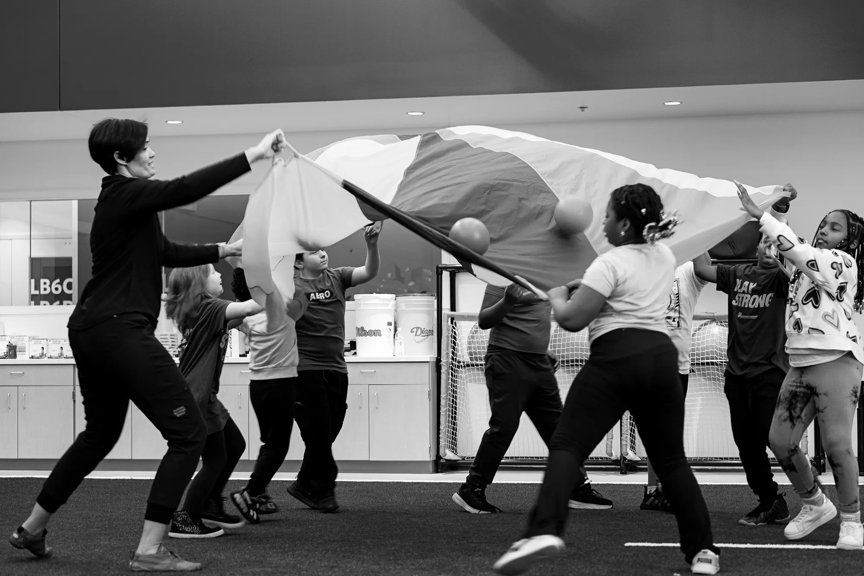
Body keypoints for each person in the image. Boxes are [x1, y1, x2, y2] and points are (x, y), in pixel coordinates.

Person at [8, 118, 286, 571]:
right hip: (120, 330)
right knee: (189, 433)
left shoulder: (119, 205)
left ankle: (32, 528)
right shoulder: (126, 193)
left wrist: (221, 250)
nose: (153, 153)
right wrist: (253, 155)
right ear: (121, 157)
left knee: (99, 434)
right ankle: (150, 549)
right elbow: (182, 189)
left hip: (91, 329)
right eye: (146, 147)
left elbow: (165, 252)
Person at [494, 184, 720, 576]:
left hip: (617, 357)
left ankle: (542, 531)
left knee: (567, 446)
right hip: (661, 359)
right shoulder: (664, 255)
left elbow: (572, 318)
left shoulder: (608, 264)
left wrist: (558, 295)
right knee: (670, 461)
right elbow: (625, 289)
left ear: (626, 223)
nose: (604, 223)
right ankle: (704, 553)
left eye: (609, 217)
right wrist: (583, 288)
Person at [735, 182, 864, 550]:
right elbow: (788, 246)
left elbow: (797, 250)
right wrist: (780, 209)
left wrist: (761, 214)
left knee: (838, 444)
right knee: (780, 440)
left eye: (835, 227)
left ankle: (852, 520)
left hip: (837, 362)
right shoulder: (806, 265)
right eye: (824, 224)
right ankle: (814, 503)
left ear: (850, 241)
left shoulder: (841, 263)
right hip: (801, 362)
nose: (825, 230)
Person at [451, 282, 612, 514]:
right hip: (506, 360)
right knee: (504, 427)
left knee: (559, 428)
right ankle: (471, 489)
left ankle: (576, 487)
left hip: (538, 363)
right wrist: (507, 301)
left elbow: (546, 307)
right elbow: (485, 320)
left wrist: (541, 350)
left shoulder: (547, 275)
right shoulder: (502, 275)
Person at [693, 190, 796, 527]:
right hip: (736, 374)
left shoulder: (783, 280)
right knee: (746, 443)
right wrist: (701, 227)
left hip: (770, 372)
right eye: (765, 244)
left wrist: (780, 205)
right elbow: (703, 267)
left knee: (774, 439)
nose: (769, 249)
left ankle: (811, 496)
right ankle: (770, 500)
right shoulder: (738, 274)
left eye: (775, 245)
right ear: (757, 247)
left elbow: (792, 254)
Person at [288, 222, 382, 512]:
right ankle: (325, 490)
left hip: (337, 368)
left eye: (323, 249)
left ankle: (303, 482)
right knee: (318, 431)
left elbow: (369, 272)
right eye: (314, 252)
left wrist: (371, 245)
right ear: (298, 262)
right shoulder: (291, 286)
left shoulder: (337, 277)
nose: (323, 254)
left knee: (330, 428)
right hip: (305, 369)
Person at [164, 264, 263, 537]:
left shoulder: (204, 311)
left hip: (204, 397)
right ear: (199, 284)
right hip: (197, 398)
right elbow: (248, 309)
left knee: (234, 445)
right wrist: (275, 284)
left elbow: (239, 320)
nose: (220, 275)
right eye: (213, 272)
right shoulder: (208, 308)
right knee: (215, 460)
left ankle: (209, 503)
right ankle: (187, 516)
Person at [228, 267, 308, 519]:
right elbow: (303, 298)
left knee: (269, 443)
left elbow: (229, 320)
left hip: (258, 386)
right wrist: (292, 276)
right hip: (280, 385)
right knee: (277, 446)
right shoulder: (281, 310)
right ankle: (251, 491)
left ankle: (258, 492)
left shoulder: (247, 317)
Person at [641, 261, 708, 512]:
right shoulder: (643, 263)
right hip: (644, 362)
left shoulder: (688, 269)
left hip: (676, 366)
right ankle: (654, 490)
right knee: (653, 430)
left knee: (669, 432)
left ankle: (662, 490)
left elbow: (706, 265)